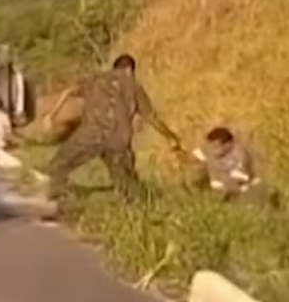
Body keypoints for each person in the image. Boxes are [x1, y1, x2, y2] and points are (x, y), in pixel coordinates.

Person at [42, 54, 183, 213]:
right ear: (130, 69)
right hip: (118, 139)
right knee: (127, 182)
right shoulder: (134, 85)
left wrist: (52, 115)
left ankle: (63, 202)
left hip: (90, 135)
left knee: (58, 166)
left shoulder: (96, 79)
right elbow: (151, 117)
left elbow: (68, 92)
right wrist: (171, 137)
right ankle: (142, 210)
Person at [190, 126, 273, 205]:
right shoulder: (220, 153)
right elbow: (201, 158)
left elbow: (238, 179)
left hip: (245, 192)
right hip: (226, 191)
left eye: (215, 147)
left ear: (228, 144)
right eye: (211, 146)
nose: (212, 150)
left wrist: (218, 186)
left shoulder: (240, 155)